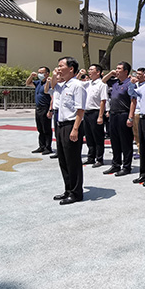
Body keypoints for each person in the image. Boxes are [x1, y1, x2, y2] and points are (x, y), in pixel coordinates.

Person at [50, 57, 86, 205]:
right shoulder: (62, 85)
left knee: (73, 160)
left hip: (72, 125)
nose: (58, 68)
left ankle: (76, 193)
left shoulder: (77, 86)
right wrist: (55, 76)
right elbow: (50, 87)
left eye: (61, 66)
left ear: (71, 69)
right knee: (63, 160)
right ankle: (68, 189)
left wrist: (75, 129)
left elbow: (80, 110)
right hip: (61, 125)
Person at [102, 62, 136, 177]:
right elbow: (103, 81)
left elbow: (133, 101)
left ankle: (126, 166)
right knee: (114, 141)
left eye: (119, 69)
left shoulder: (130, 83)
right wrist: (111, 73)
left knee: (125, 141)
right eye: (116, 68)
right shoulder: (115, 82)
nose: (116, 70)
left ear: (126, 71)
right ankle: (116, 164)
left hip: (124, 114)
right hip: (113, 114)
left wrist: (130, 117)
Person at [79, 64, 107, 168]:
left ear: (98, 72)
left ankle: (99, 159)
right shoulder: (88, 84)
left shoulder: (102, 84)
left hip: (96, 112)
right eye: (89, 69)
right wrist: (80, 74)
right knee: (89, 136)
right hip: (87, 113)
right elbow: (76, 83)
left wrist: (100, 116)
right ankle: (91, 157)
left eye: (91, 70)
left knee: (98, 137)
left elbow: (103, 101)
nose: (89, 71)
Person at [25, 66, 53, 154]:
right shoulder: (38, 83)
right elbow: (28, 83)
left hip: (45, 108)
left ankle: (48, 147)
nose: (40, 74)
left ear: (47, 73)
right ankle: (42, 146)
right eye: (39, 72)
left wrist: (50, 110)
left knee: (46, 129)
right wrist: (31, 76)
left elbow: (52, 97)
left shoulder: (49, 83)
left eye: (42, 72)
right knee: (40, 129)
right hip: (38, 108)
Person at [132, 67, 145, 159]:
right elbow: (131, 94)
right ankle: (139, 149)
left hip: (142, 111)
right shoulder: (135, 84)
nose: (138, 76)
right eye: (137, 74)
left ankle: (143, 151)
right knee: (136, 132)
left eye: (140, 74)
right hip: (135, 110)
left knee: (142, 133)